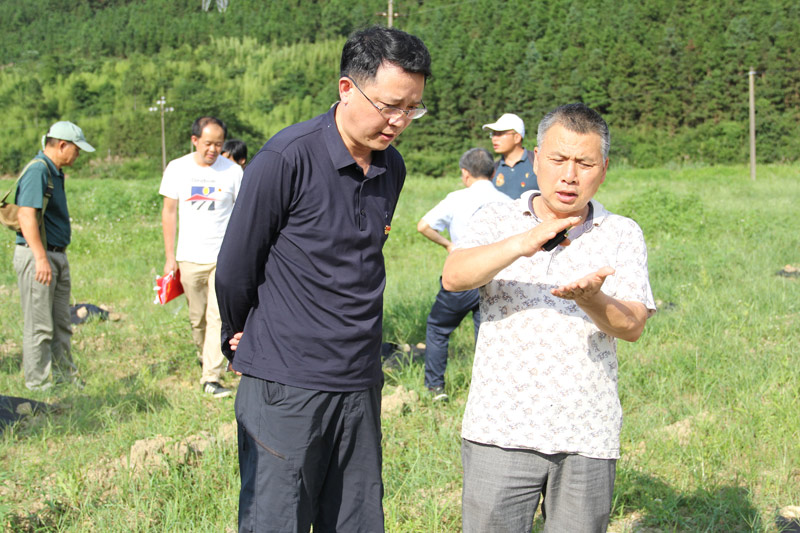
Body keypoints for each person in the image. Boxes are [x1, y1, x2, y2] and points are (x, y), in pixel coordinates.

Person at [215, 26, 431, 533]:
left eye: (412, 109)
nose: (399, 122)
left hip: (358, 379)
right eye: (389, 106)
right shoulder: (286, 157)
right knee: (278, 518)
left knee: (355, 518)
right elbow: (236, 267)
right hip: (286, 381)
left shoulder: (390, 167)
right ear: (345, 89)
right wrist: (239, 332)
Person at [443, 103, 656, 532]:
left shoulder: (621, 233)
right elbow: (454, 277)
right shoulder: (497, 218)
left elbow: (632, 325)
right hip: (499, 429)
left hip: (587, 433)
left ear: (604, 168)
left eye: (584, 162)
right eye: (559, 159)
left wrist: (593, 300)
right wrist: (523, 242)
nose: (570, 175)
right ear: (537, 159)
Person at [417, 148, 510, 402]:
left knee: (438, 327)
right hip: (495, 277)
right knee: (486, 335)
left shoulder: (458, 198)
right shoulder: (506, 201)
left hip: (462, 276)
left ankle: (435, 389)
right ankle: (487, 393)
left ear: (465, 174)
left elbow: (423, 225)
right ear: (493, 173)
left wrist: (449, 245)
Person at [159, 116, 243, 398]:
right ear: (195, 140)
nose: (213, 149)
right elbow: (168, 212)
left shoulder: (232, 172)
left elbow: (243, 215)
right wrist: (170, 256)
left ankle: (211, 376)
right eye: (208, 143)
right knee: (198, 318)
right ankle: (203, 354)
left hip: (223, 258)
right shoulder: (177, 169)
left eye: (218, 144)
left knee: (218, 317)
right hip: (189, 257)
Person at [13, 121, 95, 391]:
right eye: (76, 149)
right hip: (40, 256)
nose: (78, 155)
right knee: (40, 325)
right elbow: (26, 216)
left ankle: (64, 378)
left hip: (55, 255)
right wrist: (40, 258)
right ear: (62, 145)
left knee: (61, 322)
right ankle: (37, 383)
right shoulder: (38, 170)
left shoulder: (54, 171)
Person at [482, 112, 538, 198]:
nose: (494, 139)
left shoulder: (537, 162)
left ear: (517, 138)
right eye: (493, 134)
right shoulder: (493, 169)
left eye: (500, 134)